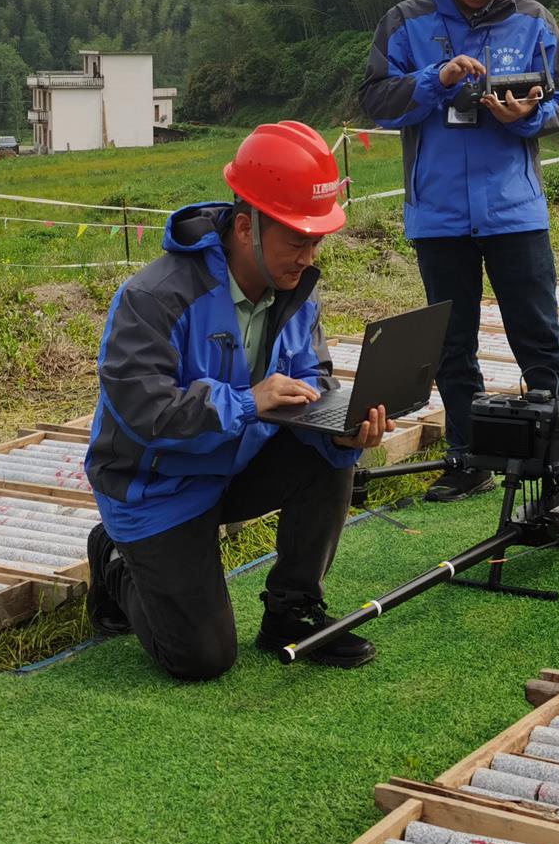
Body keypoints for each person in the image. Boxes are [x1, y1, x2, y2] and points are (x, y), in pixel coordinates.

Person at [85, 121, 393, 680]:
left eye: (317, 239)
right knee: (200, 658)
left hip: (236, 464)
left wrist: (340, 424)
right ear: (247, 227)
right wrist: (248, 401)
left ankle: (291, 612)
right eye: (297, 239)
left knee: (330, 452)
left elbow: (313, 375)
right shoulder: (151, 298)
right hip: (155, 485)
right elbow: (145, 413)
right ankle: (114, 562)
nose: (308, 254)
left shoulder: (296, 288)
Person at [358, 0, 559, 501]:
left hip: (515, 211)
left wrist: (526, 118)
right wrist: (437, 80)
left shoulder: (535, 20)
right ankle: (467, 458)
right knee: (451, 347)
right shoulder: (405, 22)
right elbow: (376, 103)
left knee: (539, 337)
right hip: (438, 216)